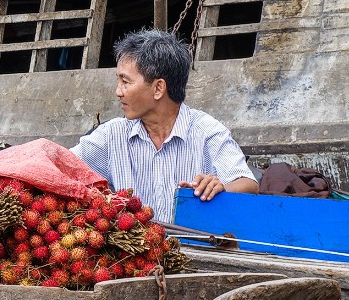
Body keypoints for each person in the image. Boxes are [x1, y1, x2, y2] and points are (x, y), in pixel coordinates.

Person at [71, 29, 258, 223]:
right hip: (133, 251)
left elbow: (248, 184)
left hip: (193, 249)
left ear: (159, 88)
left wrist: (220, 188)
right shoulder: (111, 135)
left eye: (125, 82)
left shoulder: (207, 131)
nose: (118, 91)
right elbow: (64, 163)